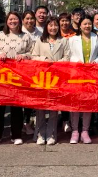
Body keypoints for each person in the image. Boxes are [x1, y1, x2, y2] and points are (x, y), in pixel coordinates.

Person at [0, 11, 34, 145]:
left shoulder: (26, 36)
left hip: (18, 76)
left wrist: (24, 56)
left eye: (15, 19)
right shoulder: (0, 35)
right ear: (7, 21)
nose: (13, 21)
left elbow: (32, 52)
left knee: (16, 107)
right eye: (10, 19)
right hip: (1, 76)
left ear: (20, 21)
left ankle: (16, 135)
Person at [31, 16, 70, 145]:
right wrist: (44, 60)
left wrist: (57, 63)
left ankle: (52, 133)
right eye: (50, 25)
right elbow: (34, 56)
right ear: (46, 27)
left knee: (54, 106)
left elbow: (67, 57)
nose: (53, 28)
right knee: (41, 107)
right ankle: (41, 133)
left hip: (57, 77)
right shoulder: (40, 40)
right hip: (42, 77)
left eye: (55, 25)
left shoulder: (63, 41)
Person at [68, 16, 98, 144]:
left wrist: (97, 61)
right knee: (76, 103)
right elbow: (69, 54)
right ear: (80, 26)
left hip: (91, 75)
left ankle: (85, 131)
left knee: (88, 103)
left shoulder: (96, 37)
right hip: (77, 74)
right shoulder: (73, 39)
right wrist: (75, 61)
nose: (87, 26)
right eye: (84, 24)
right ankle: (75, 131)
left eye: (89, 24)